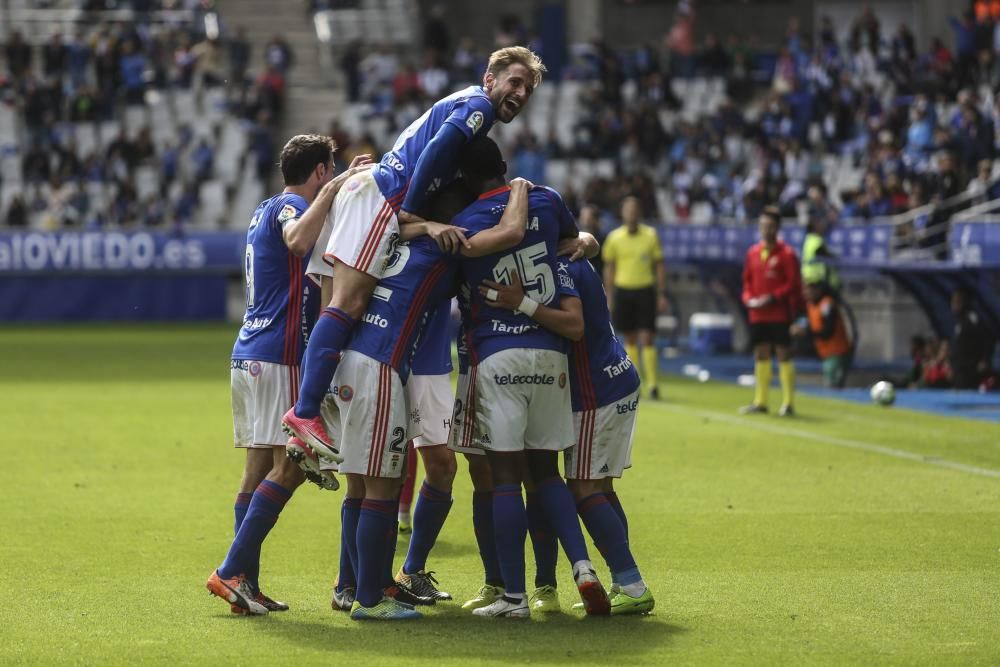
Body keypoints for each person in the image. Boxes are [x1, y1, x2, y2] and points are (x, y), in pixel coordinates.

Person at [282, 46, 546, 461]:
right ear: (490, 79)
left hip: (374, 193)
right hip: (384, 196)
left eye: (528, 89)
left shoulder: (463, 102)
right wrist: (412, 210)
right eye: (515, 82)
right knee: (347, 303)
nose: (521, 92)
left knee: (345, 303)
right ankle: (306, 411)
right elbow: (439, 148)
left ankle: (309, 423)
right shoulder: (478, 105)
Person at [301, 176, 536, 620]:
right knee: (379, 484)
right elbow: (510, 235)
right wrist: (523, 192)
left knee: (378, 476)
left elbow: (390, 227)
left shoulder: (384, 237)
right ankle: (367, 595)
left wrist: (415, 225)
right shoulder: (444, 249)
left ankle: (373, 582)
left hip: (368, 359)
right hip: (381, 363)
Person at [205, 135, 372, 615]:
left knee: (257, 472)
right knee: (294, 464)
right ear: (320, 171)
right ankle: (233, 569)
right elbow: (297, 239)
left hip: (249, 351)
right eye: (331, 170)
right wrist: (335, 189)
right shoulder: (290, 207)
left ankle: (244, 585)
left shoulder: (262, 206)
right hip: (278, 354)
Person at [450, 135, 610, 619]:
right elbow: (574, 242)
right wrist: (585, 239)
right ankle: (580, 566)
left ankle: (513, 597)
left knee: (502, 478)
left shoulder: (465, 224)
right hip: (551, 356)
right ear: (503, 166)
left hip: (497, 355)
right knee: (545, 473)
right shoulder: (546, 198)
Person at [480, 252, 654, 615]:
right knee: (601, 486)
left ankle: (632, 582)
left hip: (596, 388)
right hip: (614, 375)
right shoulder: (573, 253)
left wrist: (522, 303)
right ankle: (623, 583)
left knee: (582, 488)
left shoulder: (560, 263)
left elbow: (573, 326)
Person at [601, 196, 668, 400]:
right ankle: (635, 381)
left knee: (647, 337)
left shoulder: (650, 235)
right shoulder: (614, 238)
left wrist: (661, 294)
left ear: (639, 212)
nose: (631, 213)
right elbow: (610, 268)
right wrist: (609, 296)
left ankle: (654, 384)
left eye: (634, 209)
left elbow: (658, 266)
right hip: (623, 290)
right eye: (628, 209)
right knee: (629, 337)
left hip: (645, 290)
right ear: (623, 213)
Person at [740, 206, 802, 416]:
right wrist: (748, 298)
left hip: (778, 312)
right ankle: (761, 401)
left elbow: (793, 284)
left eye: (770, 226)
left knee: (783, 354)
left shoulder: (787, 254)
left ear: (777, 228)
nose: (766, 230)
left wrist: (773, 297)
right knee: (761, 353)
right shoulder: (753, 252)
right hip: (758, 313)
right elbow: (747, 281)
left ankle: (788, 403)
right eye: (763, 226)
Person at [792, 280, 852, 388]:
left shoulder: (827, 304)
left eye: (808, 289)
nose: (805, 292)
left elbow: (827, 331)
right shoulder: (810, 305)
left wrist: (805, 332)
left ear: (817, 290)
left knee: (832, 386)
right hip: (825, 353)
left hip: (836, 352)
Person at [949, 288, 996, 389]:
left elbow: (988, 338)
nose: (953, 305)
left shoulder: (973, 319)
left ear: (964, 302)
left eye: (956, 302)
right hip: (959, 370)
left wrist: (985, 359)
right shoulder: (959, 321)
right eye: (952, 301)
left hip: (970, 371)